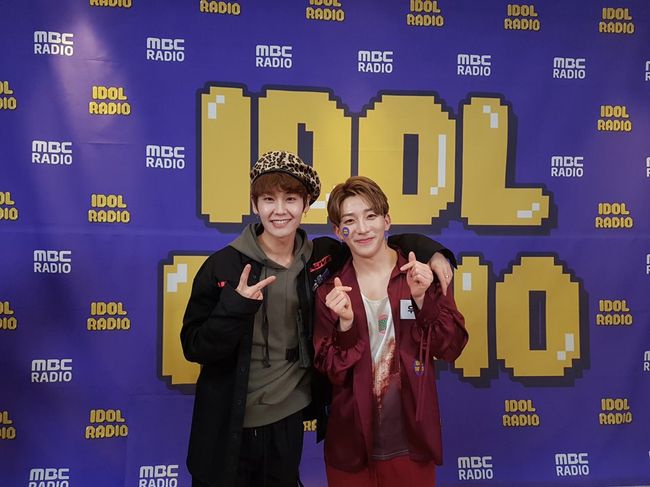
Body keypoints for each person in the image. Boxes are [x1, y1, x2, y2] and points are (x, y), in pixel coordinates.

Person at [180, 151, 456, 487]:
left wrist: (431, 250)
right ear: (254, 205)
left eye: (290, 199)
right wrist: (235, 307)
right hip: (227, 419)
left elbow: (371, 240)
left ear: (306, 205)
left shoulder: (321, 258)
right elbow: (194, 346)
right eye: (268, 199)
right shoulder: (222, 266)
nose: (280, 210)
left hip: (288, 417)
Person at [314, 176, 468, 487]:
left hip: (412, 442)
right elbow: (330, 371)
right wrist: (345, 326)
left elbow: (451, 346)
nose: (362, 228)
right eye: (349, 221)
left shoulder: (423, 275)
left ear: (387, 221)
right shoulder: (330, 291)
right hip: (350, 445)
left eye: (371, 216)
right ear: (338, 232)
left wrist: (423, 301)